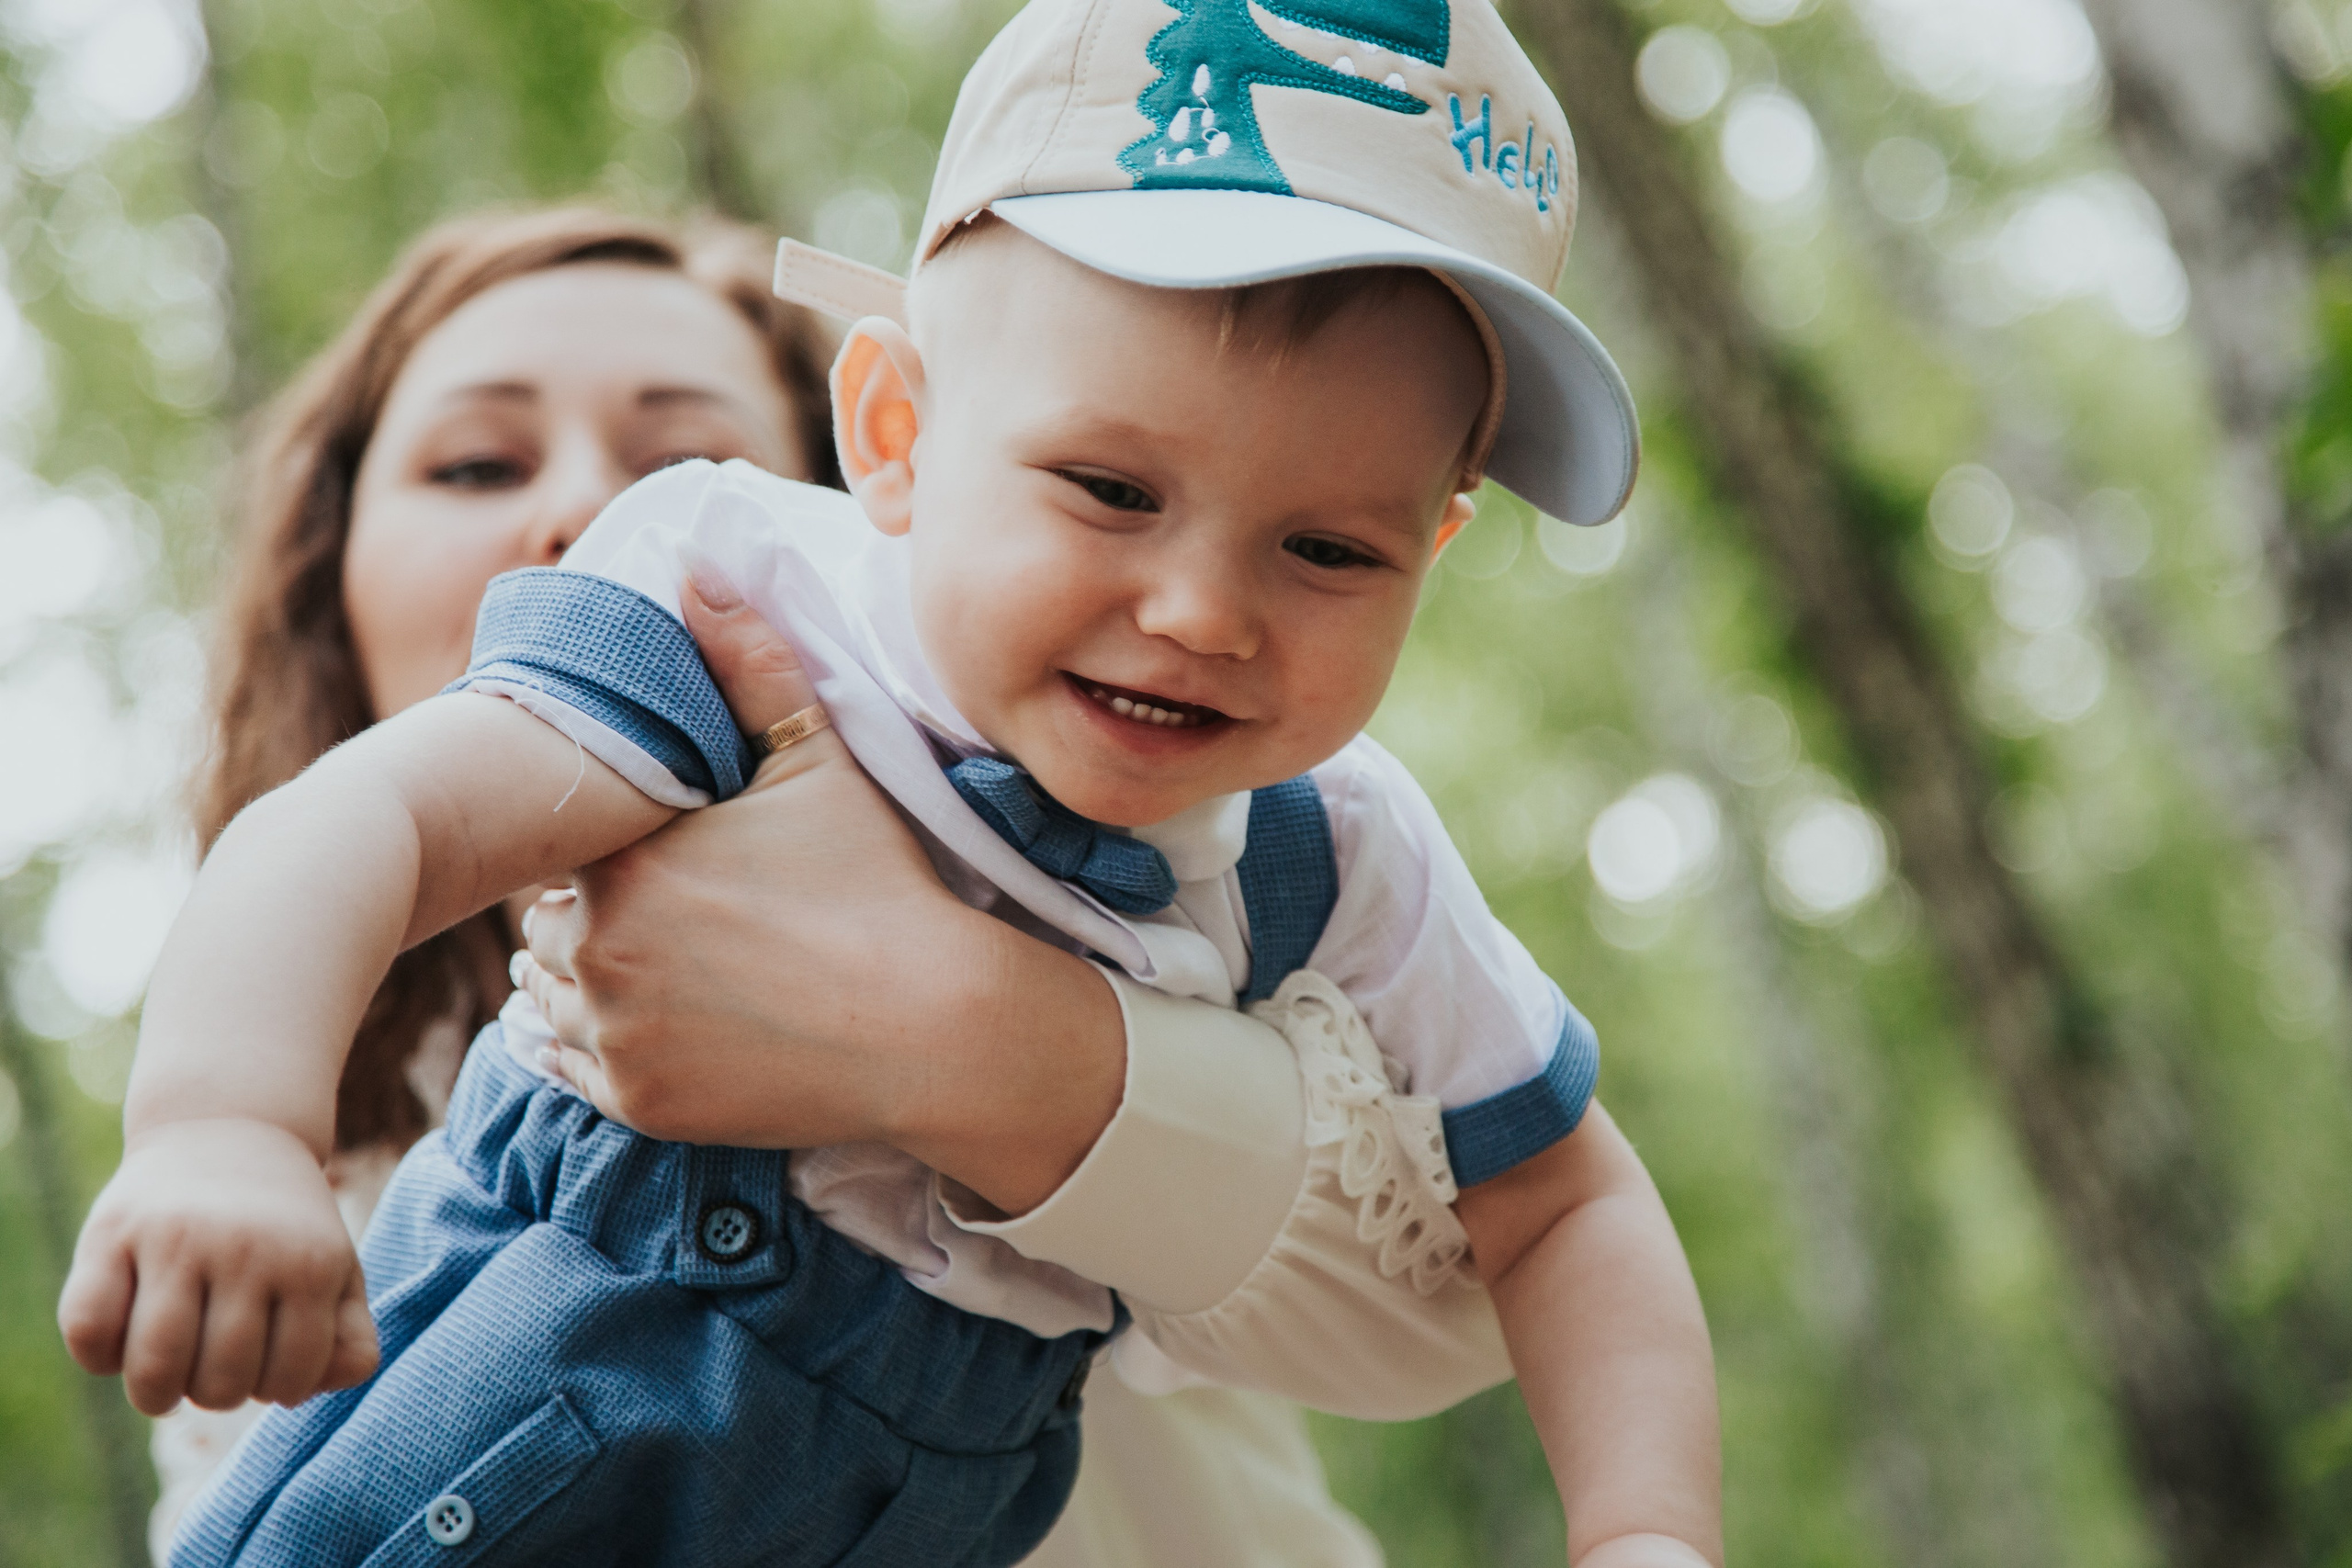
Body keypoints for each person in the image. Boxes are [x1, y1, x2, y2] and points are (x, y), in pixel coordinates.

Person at [74, 0, 1721, 1561]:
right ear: (891, 438)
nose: (1207, 614)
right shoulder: (743, 617)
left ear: (1439, 539)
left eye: (1329, 547)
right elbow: (376, 814)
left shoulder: (1336, 857)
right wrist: (224, 1128)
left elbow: (1558, 1204)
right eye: (1108, 486)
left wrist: (1644, 1528)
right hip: (534, 1400)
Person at [134, 204, 1421, 1566]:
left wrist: (947, 1024)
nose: (583, 508)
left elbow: (1444, 1294)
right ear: (331, 575)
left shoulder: (1191, 896)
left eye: (692, 461)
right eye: (474, 463)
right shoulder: (291, 1164)